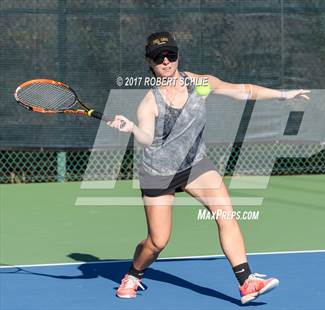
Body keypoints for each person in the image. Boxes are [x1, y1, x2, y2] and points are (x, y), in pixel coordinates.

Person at [107, 31, 310, 304]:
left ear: (178, 56)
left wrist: (283, 95)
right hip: (159, 173)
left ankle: (246, 281)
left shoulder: (198, 84)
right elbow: (146, 138)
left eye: (171, 55)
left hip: (194, 165)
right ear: (150, 63)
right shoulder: (149, 103)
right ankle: (133, 274)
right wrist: (131, 127)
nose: (166, 62)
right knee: (157, 242)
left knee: (226, 214)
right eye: (159, 57)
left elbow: (242, 91)